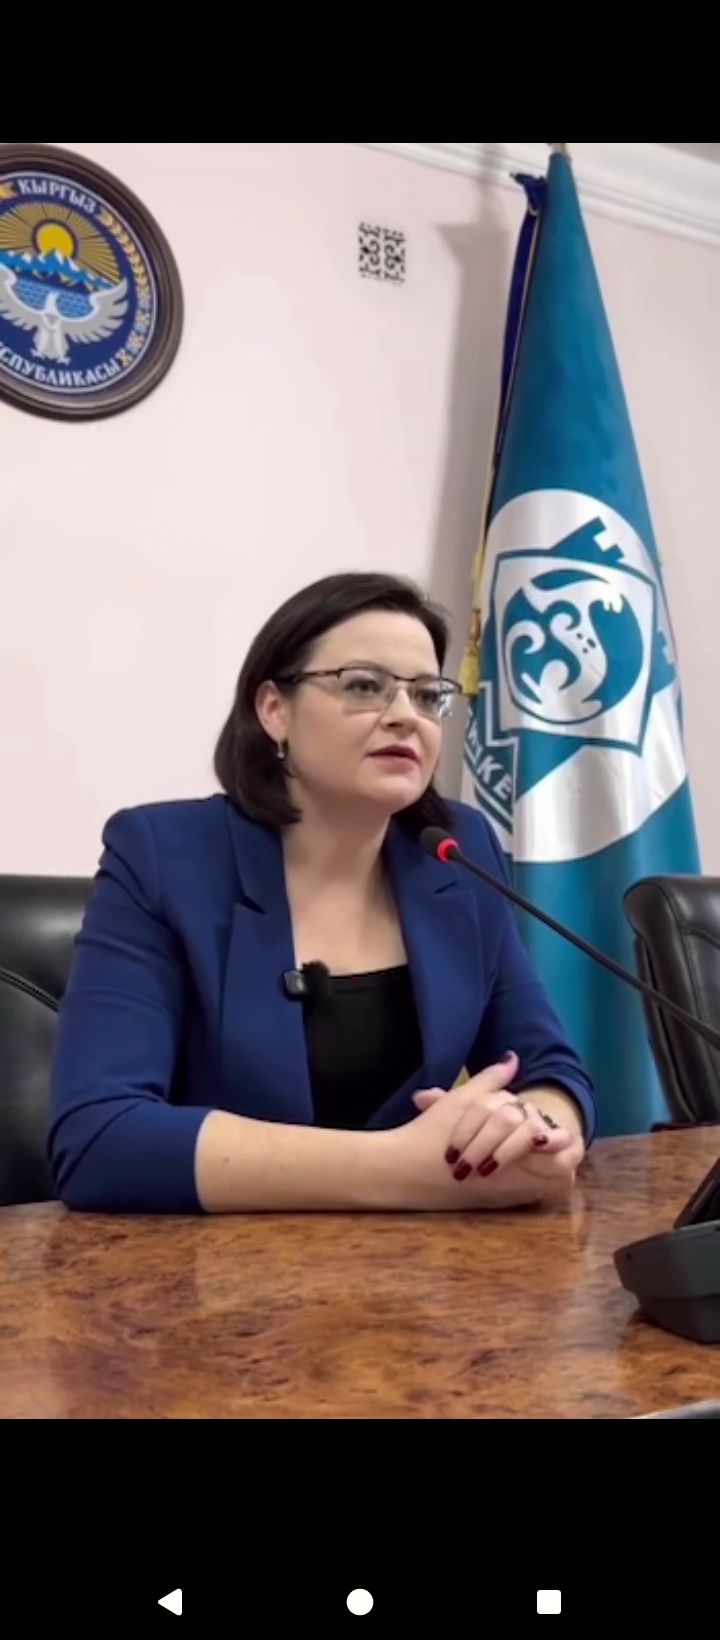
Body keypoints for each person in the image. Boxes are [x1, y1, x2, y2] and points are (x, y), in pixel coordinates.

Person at [49, 572, 595, 1214]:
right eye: (364, 685)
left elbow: (548, 1068)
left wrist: (538, 1130)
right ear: (273, 710)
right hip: (209, 1266)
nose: (405, 715)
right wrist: (402, 1167)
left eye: (427, 695)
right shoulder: (164, 856)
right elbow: (99, 1138)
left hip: (421, 1264)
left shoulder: (457, 849)